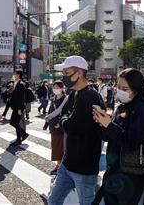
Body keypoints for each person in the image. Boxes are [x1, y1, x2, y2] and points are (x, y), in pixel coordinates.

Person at [92, 68, 144, 205]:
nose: (120, 90)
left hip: (135, 173)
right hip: (116, 170)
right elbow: (111, 137)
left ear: (136, 89)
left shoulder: (142, 108)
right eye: (118, 87)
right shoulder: (121, 107)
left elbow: (132, 142)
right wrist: (101, 123)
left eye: (125, 88)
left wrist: (109, 125)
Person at [48, 55, 105, 205]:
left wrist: (66, 121)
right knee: (53, 201)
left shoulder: (92, 97)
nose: (64, 77)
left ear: (79, 73)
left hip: (84, 168)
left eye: (67, 73)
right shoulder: (73, 93)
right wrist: (66, 121)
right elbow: (65, 118)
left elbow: (73, 126)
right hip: (67, 163)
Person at [45, 81, 67, 175]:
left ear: (62, 88)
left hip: (60, 126)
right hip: (52, 125)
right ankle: (58, 165)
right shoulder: (53, 98)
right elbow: (50, 110)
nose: (55, 89)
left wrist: (60, 123)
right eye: (54, 87)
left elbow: (66, 112)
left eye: (57, 87)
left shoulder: (65, 99)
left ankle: (60, 166)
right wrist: (46, 122)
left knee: (60, 146)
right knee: (55, 146)